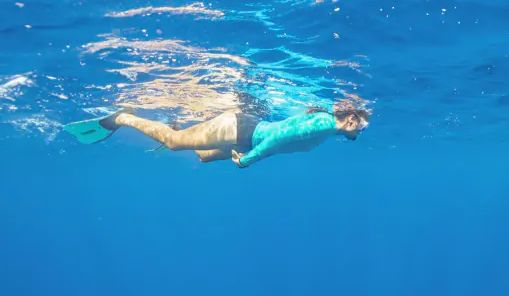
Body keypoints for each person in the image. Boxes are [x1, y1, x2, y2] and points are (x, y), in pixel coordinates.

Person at [62, 103, 370, 168]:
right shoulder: (321, 124)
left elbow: (284, 142)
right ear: (350, 118)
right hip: (242, 131)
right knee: (172, 143)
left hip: (247, 137)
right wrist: (249, 159)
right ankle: (122, 118)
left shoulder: (331, 129)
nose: (361, 131)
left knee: (203, 156)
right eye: (360, 124)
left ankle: (183, 122)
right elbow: (277, 140)